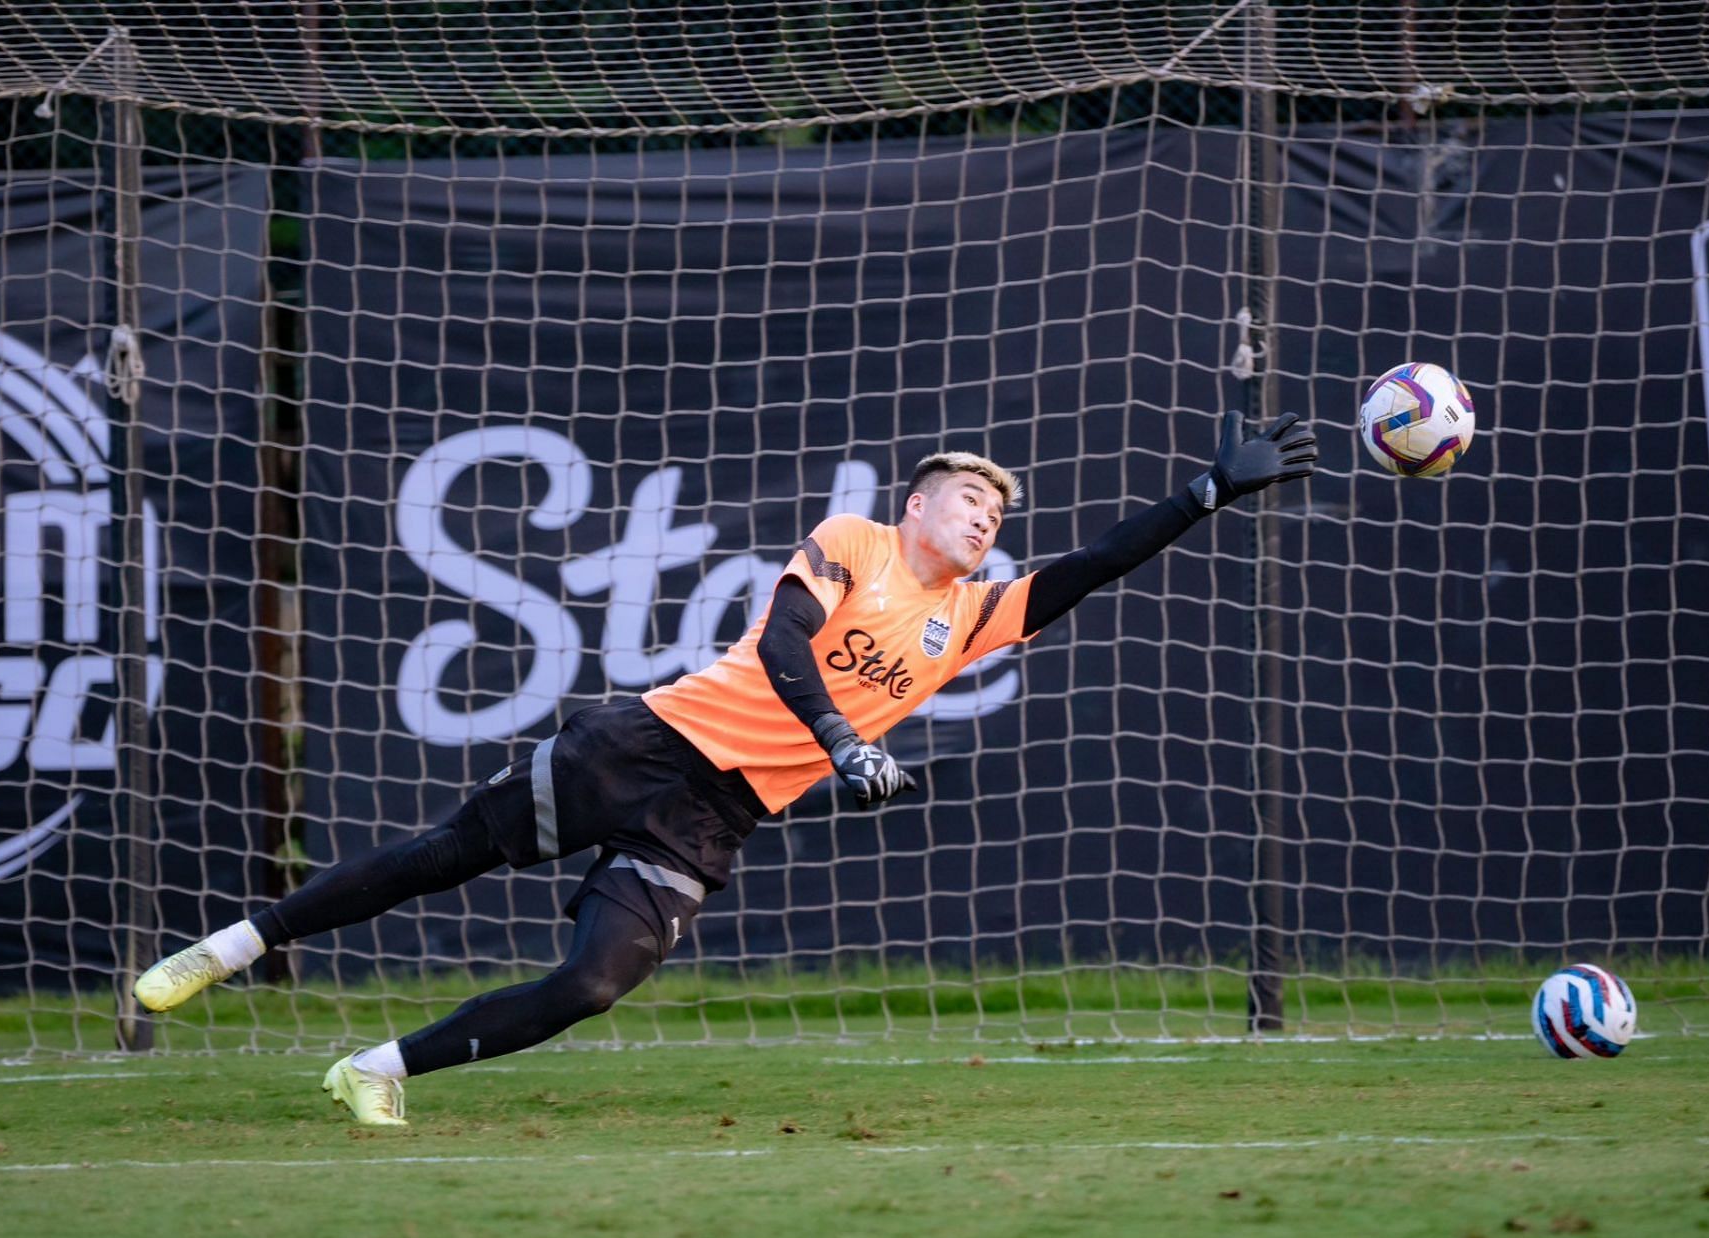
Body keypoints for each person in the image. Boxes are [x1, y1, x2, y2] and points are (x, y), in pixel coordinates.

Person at [133, 409, 1317, 1125]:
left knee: (591, 986)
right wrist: (849, 742)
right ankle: (234, 945)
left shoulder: (980, 613)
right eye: (966, 500)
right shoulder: (857, 540)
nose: (983, 521)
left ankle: (372, 1069)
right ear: (916, 502)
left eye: (995, 514)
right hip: (650, 743)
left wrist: (1205, 492)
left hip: (717, 815)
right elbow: (791, 647)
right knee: (447, 854)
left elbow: (1098, 565)